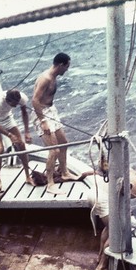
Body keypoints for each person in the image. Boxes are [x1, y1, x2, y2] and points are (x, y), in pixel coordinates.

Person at [31, 52, 79, 195]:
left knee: (64, 143)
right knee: (54, 150)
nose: (67, 69)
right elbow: (35, 101)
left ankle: (64, 172)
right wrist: (43, 121)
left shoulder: (54, 77)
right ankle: (50, 184)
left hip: (51, 110)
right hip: (42, 114)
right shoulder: (45, 79)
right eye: (67, 66)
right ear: (60, 65)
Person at [0, 89, 35, 193]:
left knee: (21, 145)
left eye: (17, 103)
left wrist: (27, 132)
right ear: (7, 100)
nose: (16, 105)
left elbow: (24, 113)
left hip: (7, 118)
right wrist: (9, 135)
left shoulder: (22, 98)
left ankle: (27, 176)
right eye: (14, 104)